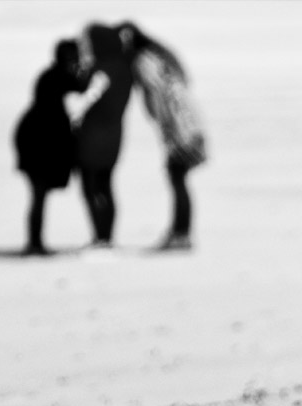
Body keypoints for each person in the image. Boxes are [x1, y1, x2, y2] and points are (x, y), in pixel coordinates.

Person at [118, 21, 207, 251]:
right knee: (179, 177)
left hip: (179, 126)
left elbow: (159, 94)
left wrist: (168, 129)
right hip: (188, 121)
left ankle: (181, 233)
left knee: (177, 177)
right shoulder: (160, 56)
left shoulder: (143, 61)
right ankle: (180, 232)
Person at [13, 39, 82, 256]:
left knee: (37, 196)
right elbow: (81, 86)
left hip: (32, 139)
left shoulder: (49, 77)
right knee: (38, 196)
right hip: (38, 143)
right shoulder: (57, 79)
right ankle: (34, 243)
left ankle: (35, 242)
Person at [74, 23, 134, 247]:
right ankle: (106, 237)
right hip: (114, 135)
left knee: (92, 187)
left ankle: (100, 237)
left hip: (93, 136)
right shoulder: (123, 67)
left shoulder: (102, 70)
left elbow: (83, 103)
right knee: (106, 186)